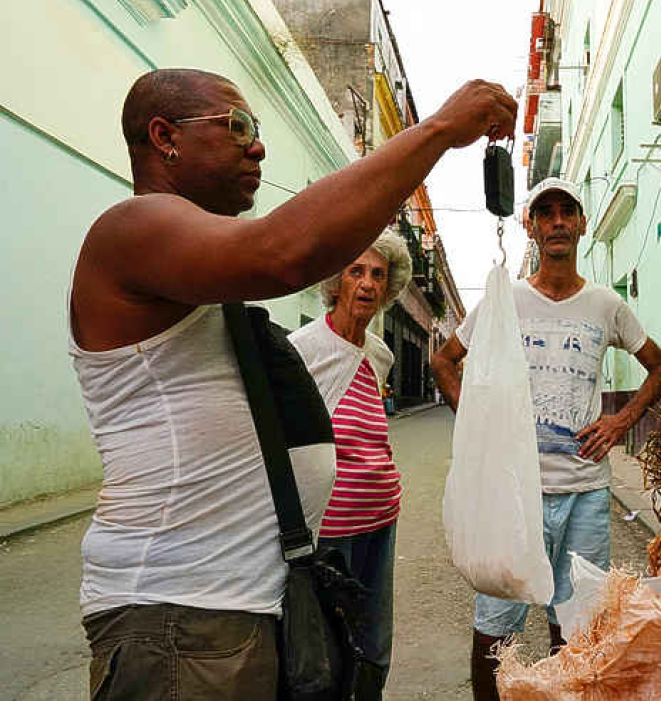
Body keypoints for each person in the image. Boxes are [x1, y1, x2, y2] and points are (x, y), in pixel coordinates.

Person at [68, 67, 515, 700]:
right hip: (176, 620)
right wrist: (438, 131)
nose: (258, 147)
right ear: (164, 137)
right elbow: (285, 253)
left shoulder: (197, 268)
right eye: (238, 128)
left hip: (234, 609)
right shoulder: (130, 229)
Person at [430, 178, 661, 701]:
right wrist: (482, 432)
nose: (558, 221)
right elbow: (444, 360)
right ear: (532, 227)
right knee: (496, 626)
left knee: (578, 627)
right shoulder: (507, 299)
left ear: (583, 225)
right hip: (515, 496)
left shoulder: (606, 305)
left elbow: (660, 367)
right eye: (546, 213)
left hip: (586, 493)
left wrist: (621, 421)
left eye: (568, 212)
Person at [287, 230, 412, 695]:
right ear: (336, 282)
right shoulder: (304, 348)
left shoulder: (380, 354)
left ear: (389, 287)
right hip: (330, 530)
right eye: (355, 271)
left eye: (378, 275)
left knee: (375, 640)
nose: (366, 283)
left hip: (382, 519)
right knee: (326, 649)